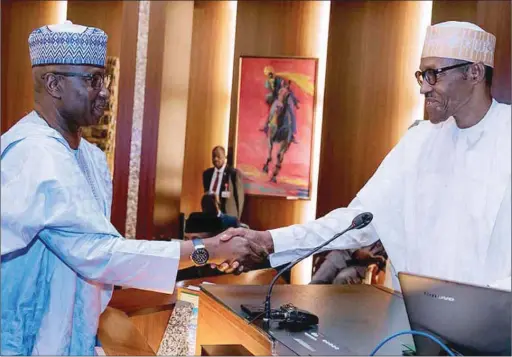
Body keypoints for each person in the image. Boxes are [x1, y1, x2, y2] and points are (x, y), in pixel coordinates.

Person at [0, 21, 264, 356]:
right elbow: (102, 256)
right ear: (53, 84)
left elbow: (108, 251)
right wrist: (208, 250)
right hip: (27, 339)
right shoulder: (33, 153)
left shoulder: (91, 158)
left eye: (104, 79)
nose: (105, 91)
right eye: (93, 80)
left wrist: (206, 249)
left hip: (74, 336)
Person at [214, 21, 511, 292]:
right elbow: (358, 220)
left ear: (474, 72)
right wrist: (270, 242)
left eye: (434, 75)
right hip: (413, 327)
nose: (423, 88)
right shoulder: (419, 141)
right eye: (422, 75)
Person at [310, 240, 387, 285]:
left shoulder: (388, 237)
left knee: (341, 280)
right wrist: (357, 251)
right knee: (316, 282)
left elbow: (384, 264)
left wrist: (375, 260)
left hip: (360, 267)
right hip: (339, 257)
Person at [202, 146, 245, 219]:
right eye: (214, 156)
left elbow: (239, 198)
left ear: (225, 157)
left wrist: (237, 219)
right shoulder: (207, 174)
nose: (215, 159)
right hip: (210, 216)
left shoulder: (233, 174)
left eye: (218, 156)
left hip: (227, 216)